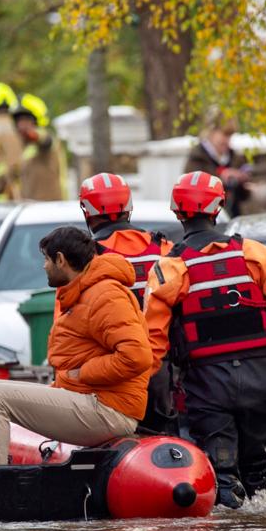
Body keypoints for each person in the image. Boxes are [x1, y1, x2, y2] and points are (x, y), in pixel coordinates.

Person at [144, 171, 266, 508]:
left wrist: (146, 388)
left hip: (209, 386)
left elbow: (154, 340)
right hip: (263, 382)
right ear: (219, 206)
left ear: (177, 213)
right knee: (256, 470)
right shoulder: (254, 254)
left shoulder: (169, 269)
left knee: (221, 472)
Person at [0, 227, 152, 465]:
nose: (44, 266)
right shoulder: (83, 292)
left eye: (46, 259)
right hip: (87, 397)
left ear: (61, 260)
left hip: (109, 409)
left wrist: (83, 373)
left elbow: (137, 356)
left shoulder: (106, 295)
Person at [79, 172, 174, 431]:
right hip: (162, 372)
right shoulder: (163, 247)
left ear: (87, 211)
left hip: (111, 373)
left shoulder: (85, 259)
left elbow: (67, 325)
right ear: (128, 206)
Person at [184, 114, 253, 216]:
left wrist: (243, 180)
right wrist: (220, 178)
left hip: (232, 219)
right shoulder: (197, 158)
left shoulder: (235, 158)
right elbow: (191, 191)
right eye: (225, 135)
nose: (228, 140)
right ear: (211, 132)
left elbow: (245, 196)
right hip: (205, 221)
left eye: (230, 136)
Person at [12, 94, 65, 201]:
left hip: (50, 208)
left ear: (36, 121)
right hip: (30, 208)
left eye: (26, 120)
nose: (21, 125)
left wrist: (34, 135)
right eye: (18, 121)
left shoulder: (47, 140)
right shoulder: (24, 148)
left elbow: (45, 139)